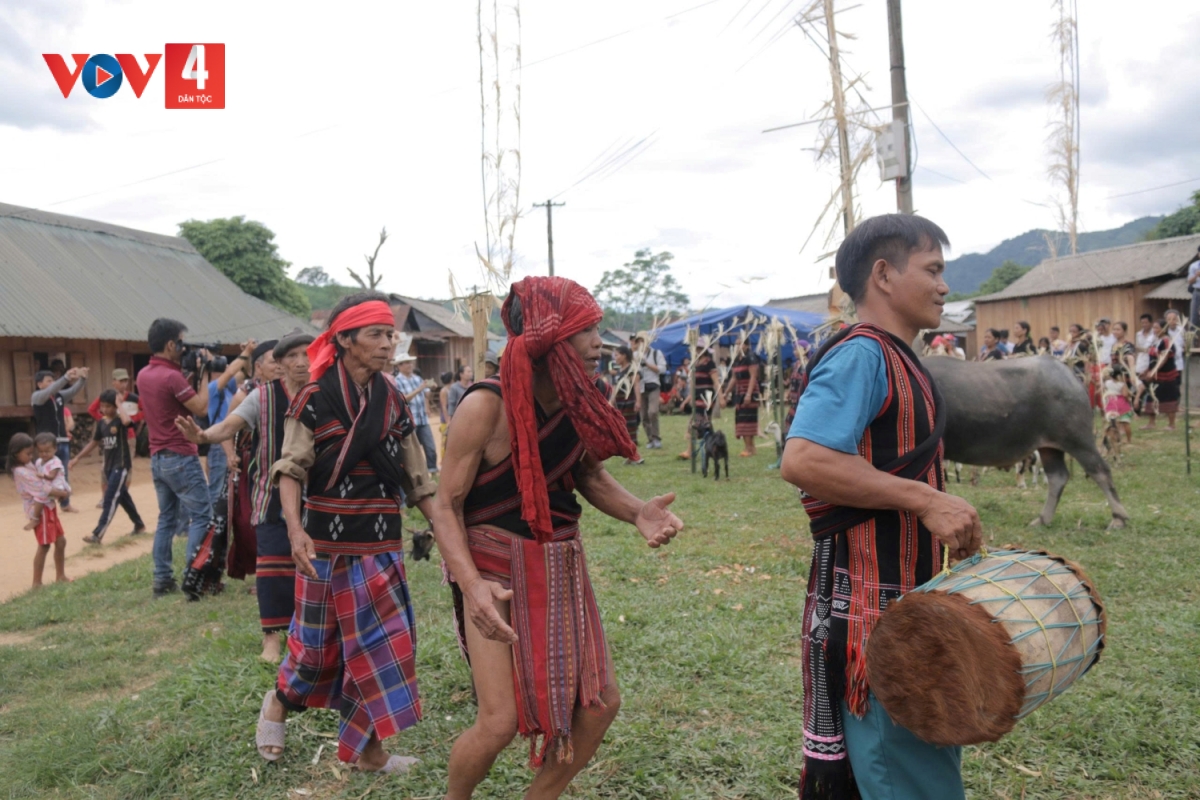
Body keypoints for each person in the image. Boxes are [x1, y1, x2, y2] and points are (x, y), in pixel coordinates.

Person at [431, 276, 682, 799]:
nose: (598, 343)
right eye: (583, 331)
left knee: (600, 704)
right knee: (498, 722)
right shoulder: (484, 406)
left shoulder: (578, 398)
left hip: (559, 561)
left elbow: (589, 475)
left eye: (595, 329)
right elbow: (446, 506)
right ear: (546, 337)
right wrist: (472, 586)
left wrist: (638, 512)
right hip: (492, 569)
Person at [781, 213, 982, 800]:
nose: (944, 285)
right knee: (904, 771)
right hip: (875, 616)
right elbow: (805, 458)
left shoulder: (899, 358)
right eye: (933, 270)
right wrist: (925, 498)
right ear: (884, 275)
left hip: (903, 605)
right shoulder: (862, 356)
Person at [254, 292, 435, 773]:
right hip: (324, 547)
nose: (387, 344)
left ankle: (369, 753)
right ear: (345, 340)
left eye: (390, 334)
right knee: (315, 652)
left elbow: (417, 478)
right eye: (376, 334)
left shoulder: (393, 399)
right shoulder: (314, 398)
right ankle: (277, 703)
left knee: (380, 649)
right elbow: (290, 468)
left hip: (380, 545)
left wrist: (446, 531)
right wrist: (295, 531)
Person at [176, 331, 311, 661]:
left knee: (314, 565)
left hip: (316, 495)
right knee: (271, 565)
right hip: (270, 495)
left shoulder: (323, 393)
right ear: (279, 364)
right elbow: (229, 426)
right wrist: (203, 435)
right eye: (291, 356)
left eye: (306, 354)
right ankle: (272, 639)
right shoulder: (261, 397)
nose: (301, 362)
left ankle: (310, 633)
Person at [138, 318, 214, 598]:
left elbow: (171, 401)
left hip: (158, 458)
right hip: (181, 456)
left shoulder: (144, 374)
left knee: (166, 519)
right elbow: (202, 408)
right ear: (171, 344)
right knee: (202, 516)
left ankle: (162, 580)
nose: (184, 348)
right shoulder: (171, 377)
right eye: (181, 342)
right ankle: (193, 576)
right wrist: (204, 374)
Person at [70, 389, 146, 543]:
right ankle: (139, 525)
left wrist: (119, 404)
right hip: (109, 467)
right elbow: (93, 442)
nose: (105, 409)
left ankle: (98, 534)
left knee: (109, 499)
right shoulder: (101, 423)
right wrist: (77, 458)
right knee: (123, 497)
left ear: (116, 407)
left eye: (109, 406)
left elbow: (127, 422)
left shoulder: (120, 421)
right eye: (102, 406)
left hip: (121, 465)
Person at [9, 432, 71, 586]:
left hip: (48, 506)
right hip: (41, 511)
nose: (32, 457)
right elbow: (43, 489)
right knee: (44, 545)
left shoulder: (28, 465)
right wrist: (64, 493)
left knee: (61, 541)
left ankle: (60, 576)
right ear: (16, 454)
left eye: (32, 453)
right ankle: (36, 583)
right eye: (28, 453)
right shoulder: (20, 471)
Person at [204, 341, 256, 507]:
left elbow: (247, 373)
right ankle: (215, 519)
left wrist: (247, 355)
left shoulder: (227, 388)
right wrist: (247, 351)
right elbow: (232, 371)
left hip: (229, 439)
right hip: (219, 441)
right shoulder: (212, 388)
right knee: (217, 489)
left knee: (227, 486)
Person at [31, 366, 88, 512]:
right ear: (39, 384)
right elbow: (52, 390)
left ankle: (65, 504)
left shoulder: (59, 396)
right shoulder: (37, 397)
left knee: (63, 474)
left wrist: (83, 378)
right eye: (48, 381)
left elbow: (73, 391)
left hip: (62, 440)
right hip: (46, 444)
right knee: (44, 474)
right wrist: (66, 377)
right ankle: (42, 504)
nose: (52, 383)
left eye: (53, 380)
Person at [394, 351, 440, 473]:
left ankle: (432, 470)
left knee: (430, 447)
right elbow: (403, 399)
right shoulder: (397, 381)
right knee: (412, 451)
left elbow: (426, 396)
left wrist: (431, 389)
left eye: (410, 362)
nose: (410, 365)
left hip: (422, 419)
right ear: (399, 366)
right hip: (410, 420)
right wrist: (419, 389)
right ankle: (416, 473)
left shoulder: (417, 378)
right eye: (406, 363)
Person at [723, 338, 762, 456]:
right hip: (740, 393)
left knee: (747, 420)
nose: (738, 346)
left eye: (740, 344)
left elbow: (753, 377)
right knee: (741, 420)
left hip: (750, 392)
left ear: (747, 346)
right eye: (736, 344)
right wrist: (726, 393)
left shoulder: (750, 358)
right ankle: (750, 447)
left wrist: (749, 394)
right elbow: (734, 378)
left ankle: (749, 448)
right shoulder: (736, 360)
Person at [1143, 318, 1181, 431]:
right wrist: (1147, 370)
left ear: (1164, 329)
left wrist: (1154, 371)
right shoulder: (1156, 341)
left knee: (1169, 398)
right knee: (1151, 397)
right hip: (1155, 375)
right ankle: (1151, 423)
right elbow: (1152, 358)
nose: (1154, 330)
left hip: (1166, 376)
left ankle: (1171, 424)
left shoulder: (1166, 341)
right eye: (1154, 328)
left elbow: (1163, 359)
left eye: (1157, 328)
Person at [610, 345, 644, 464]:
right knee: (623, 429)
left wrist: (638, 401)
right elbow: (614, 388)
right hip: (619, 404)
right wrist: (611, 402)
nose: (615, 358)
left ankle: (636, 456)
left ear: (624, 356)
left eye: (617, 355)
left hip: (629, 403)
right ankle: (630, 456)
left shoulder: (632, 369)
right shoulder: (619, 371)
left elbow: (636, 385)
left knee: (630, 429)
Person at [632, 332, 666, 449]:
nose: (641, 343)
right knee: (644, 416)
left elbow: (662, 369)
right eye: (639, 341)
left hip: (653, 385)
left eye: (643, 341)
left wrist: (647, 364)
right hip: (640, 387)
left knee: (653, 412)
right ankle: (650, 439)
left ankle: (656, 437)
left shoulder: (656, 353)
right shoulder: (634, 355)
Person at [1101, 367, 1134, 444]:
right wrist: (1128, 398)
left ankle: (1115, 439)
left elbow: (1104, 390)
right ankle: (1128, 440)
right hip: (1121, 404)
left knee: (1114, 423)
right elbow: (1125, 394)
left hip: (1111, 403)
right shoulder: (1122, 384)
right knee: (1126, 423)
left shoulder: (1107, 383)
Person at [1187, 244, 1200, 329]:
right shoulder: (1194, 266)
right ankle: (1192, 336)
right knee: (1194, 317)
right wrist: (1196, 276)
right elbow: (1190, 281)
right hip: (1197, 292)